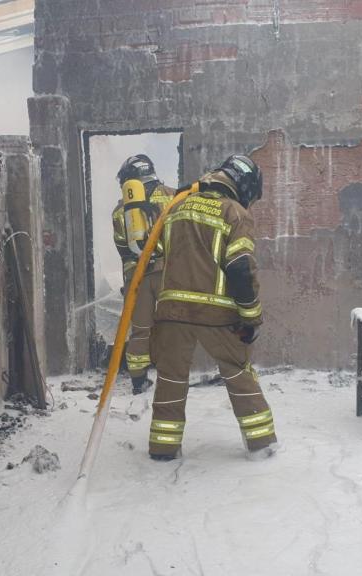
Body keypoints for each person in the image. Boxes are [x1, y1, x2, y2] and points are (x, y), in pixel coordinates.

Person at [148, 154, 278, 461]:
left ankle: (163, 447)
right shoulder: (235, 213)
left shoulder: (176, 207)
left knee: (170, 378)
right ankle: (262, 445)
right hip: (216, 314)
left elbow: (159, 253)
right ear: (243, 186)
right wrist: (250, 317)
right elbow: (240, 266)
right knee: (238, 372)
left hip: (171, 312)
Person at [111, 154, 173, 394]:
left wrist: (131, 278)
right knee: (173, 325)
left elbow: (122, 248)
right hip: (169, 273)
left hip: (138, 277)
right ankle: (172, 376)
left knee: (140, 329)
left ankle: (138, 381)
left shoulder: (121, 209)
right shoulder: (173, 195)